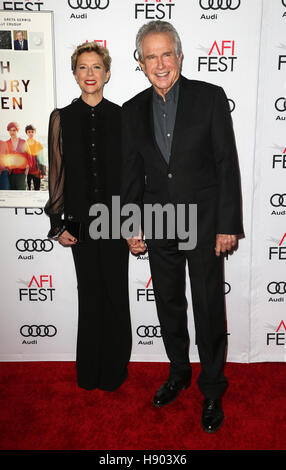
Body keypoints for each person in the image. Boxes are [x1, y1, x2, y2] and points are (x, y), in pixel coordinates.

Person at [121, 21, 243, 433]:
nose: (160, 63)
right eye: (150, 56)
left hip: (206, 222)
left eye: (166, 54)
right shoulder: (132, 109)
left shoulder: (210, 98)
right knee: (168, 303)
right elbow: (130, 174)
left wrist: (228, 223)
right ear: (139, 62)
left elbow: (227, 163)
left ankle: (212, 389)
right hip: (158, 222)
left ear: (179, 56)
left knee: (209, 306)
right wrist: (130, 224)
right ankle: (178, 373)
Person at [45, 41, 132, 391]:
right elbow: (57, 172)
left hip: (115, 219)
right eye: (83, 67)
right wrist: (56, 222)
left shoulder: (122, 117)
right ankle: (89, 372)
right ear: (75, 74)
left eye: (96, 67)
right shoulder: (61, 118)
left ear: (107, 73)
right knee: (90, 294)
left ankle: (113, 372)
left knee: (116, 293)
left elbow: (130, 175)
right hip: (79, 218)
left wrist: (132, 223)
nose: (90, 74)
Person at [6, 122, 30, 190]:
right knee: (12, 195)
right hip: (10, 173)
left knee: (21, 193)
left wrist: (27, 170)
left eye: (14, 130)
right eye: (10, 130)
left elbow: (29, 156)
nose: (12, 132)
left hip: (21, 173)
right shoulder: (6, 143)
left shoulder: (23, 142)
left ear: (17, 130)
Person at [24, 124, 45, 191]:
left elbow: (42, 159)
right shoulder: (24, 144)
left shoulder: (38, 144)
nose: (31, 133)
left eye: (32, 132)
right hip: (27, 171)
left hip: (37, 170)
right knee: (28, 189)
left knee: (37, 188)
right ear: (26, 133)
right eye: (29, 132)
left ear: (35, 132)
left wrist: (43, 172)